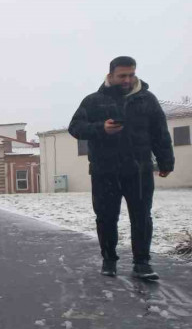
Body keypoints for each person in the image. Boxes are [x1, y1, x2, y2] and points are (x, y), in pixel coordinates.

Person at [68, 56, 174, 280]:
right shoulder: (93, 101)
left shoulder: (147, 100)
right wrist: (100, 128)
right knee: (106, 217)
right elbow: (75, 127)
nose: (127, 79)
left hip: (139, 171)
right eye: (122, 75)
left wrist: (166, 162)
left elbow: (160, 134)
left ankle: (142, 263)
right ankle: (109, 260)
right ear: (111, 75)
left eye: (131, 74)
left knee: (142, 217)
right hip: (104, 171)